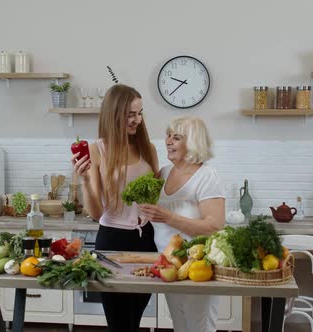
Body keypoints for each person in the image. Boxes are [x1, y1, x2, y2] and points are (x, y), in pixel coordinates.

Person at [71, 84, 159, 332]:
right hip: (112, 241)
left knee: (135, 319)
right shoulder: (96, 150)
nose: (138, 120)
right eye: (131, 114)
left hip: (147, 241)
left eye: (140, 113)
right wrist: (87, 181)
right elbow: (97, 213)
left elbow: (156, 196)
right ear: (114, 113)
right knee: (119, 324)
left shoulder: (147, 149)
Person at [139, 116, 225, 332]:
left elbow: (215, 226)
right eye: (168, 135)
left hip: (197, 267)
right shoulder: (165, 173)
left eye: (176, 137)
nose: (168, 141)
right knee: (180, 324)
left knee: (199, 326)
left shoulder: (207, 176)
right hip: (170, 265)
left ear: (193, 142)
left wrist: (169, 217)